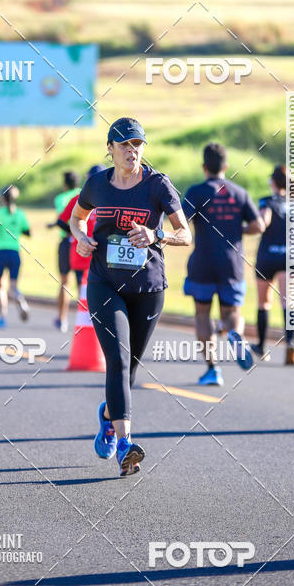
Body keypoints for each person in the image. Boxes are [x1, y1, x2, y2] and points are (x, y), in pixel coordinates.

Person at [70, 117, 191, 477]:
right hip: (105, 284)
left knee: (130, 370)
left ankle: (107, 417)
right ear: (110, 148)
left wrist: (157, 235)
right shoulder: (97, 185)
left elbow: (185, 234)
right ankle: (125, 444)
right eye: (124, 144)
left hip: (148, 289)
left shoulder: (158, 185)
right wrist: (80, 236)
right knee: (119, 362)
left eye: (137, 144)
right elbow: (77, 218)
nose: (131, 150)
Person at [183, 142, 265, 387]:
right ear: (226, 166)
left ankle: (212, 369)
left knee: (202, 314)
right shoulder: (239, 193)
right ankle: (235, 334)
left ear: (204, 166)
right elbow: (259, 225)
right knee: (231, 313)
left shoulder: (196, 192)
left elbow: (181, 220)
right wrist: (238, 229)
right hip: (232, 263)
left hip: (203, 262)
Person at [251, 165, 294, 365]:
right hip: (289, 256)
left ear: (273, 181)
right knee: (288, 302)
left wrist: (245, 227)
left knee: (264, 303)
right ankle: (290, 343)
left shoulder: (267, 201)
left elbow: (264, 222)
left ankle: (262, 346)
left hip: (268, 255)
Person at [0, 185, 31, 328]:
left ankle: (2, 318)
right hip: (14, 253)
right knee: (13, 286)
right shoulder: (20, 214)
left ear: (2, 198)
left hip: (0, 252)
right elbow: (28, 232)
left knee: (0, 286)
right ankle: (20, 300)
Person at [56, 165, 106, 288]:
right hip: (91, 251)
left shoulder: (80, 198)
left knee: (83, 289)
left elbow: (61, 222)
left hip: (89, 250)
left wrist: (73, 232)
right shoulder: (109, 199)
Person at [48, 171, 81, 331]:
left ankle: (62, 319)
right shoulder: (84, 194)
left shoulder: (60, 198)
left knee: (64, 282)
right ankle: (84, 319)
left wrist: (70, 230)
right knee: (83, 282)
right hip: (82, 240)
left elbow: (62, 220)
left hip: (67, 241)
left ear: (64, 184)